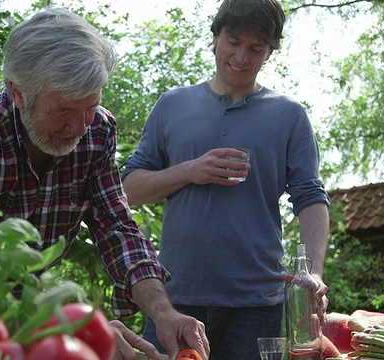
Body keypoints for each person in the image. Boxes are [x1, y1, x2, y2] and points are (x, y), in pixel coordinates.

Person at [0, 7, 208, 360]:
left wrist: (163, 312)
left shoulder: (98, 131)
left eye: (91, 106)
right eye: (64, 110)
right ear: (18, 93)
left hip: (25, 305)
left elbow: (117, 228)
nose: (80, 126)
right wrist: (75, 326)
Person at [121, 0, 330, 358]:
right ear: (215, 35)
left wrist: (313, 275)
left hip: (257, 304)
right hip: (174, 300)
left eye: (256, 49)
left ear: (270, 52)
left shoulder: (290, 116)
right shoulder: (172, 105)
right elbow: (128, 189)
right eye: (233, 41)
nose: (242, 57)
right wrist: (190, 170)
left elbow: (310, 198)